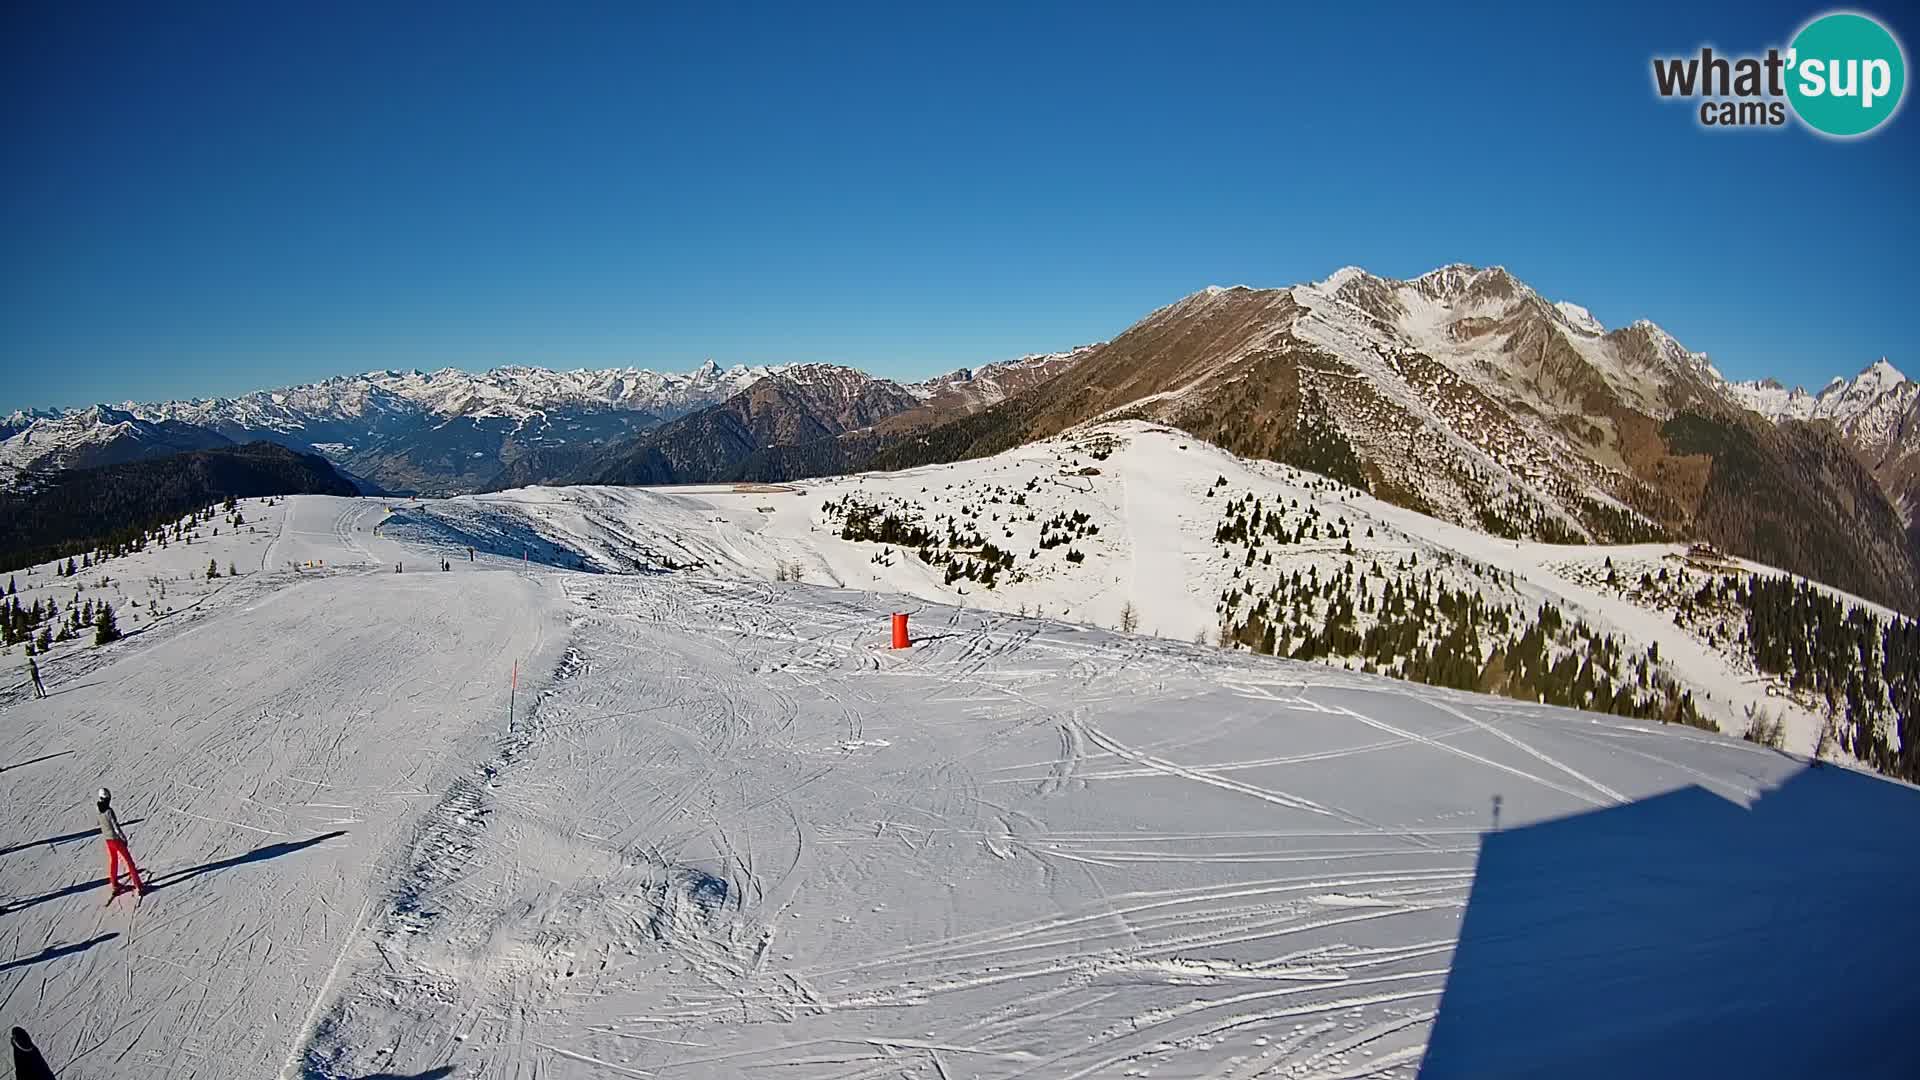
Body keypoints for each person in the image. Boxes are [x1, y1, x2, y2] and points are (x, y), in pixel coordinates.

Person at [97, 787, 146, 897]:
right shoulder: (109, 811)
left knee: (113, 861)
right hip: (115, 839)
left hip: (108, 840)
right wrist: (123, 838)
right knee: (129, 862)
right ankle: (138, 885)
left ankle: (114, 883)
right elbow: (115, 827)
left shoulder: (98, 809)